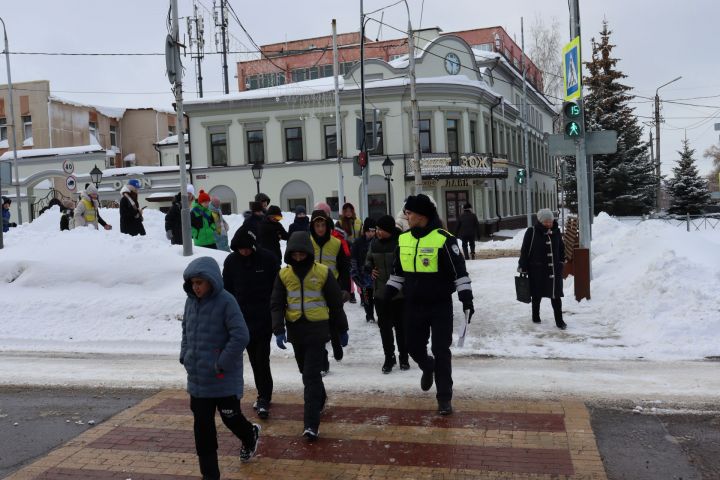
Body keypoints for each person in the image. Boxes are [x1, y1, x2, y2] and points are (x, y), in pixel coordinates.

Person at [385, 194, 474, 416]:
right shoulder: (403, 239)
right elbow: (397, 274)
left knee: (441, 350)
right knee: (413, 347)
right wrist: (385, 296)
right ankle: (427, 366)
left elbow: (459, 272)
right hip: (413, 305)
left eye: (409, 212)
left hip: (439, 305)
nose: (406, 216)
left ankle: (444, 398)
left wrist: (467, 299)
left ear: (421, 215)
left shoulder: (444, 239)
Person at [180, 256, 260, 479]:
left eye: (200, 282)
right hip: (198, 381)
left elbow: (241, 335)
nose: (196, 287)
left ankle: (249, 435)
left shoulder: (226, 301)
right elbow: (186, 330)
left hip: (222, 378)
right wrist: (184, 354)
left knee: (231, 418)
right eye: (193, 283)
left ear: (211, 281)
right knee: (203, 430)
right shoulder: (190, 302)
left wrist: (220, 363)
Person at [270, 231, 349, 441]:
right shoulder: (284, 274)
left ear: (308, 252)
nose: (298, 257)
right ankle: (320, 397)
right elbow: (277, 304)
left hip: (317, 329)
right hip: (296, 330)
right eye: (294, 254)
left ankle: (311, 424)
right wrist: (278, 329)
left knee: (310, 376)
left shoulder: (323, 272)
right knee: (305, 371)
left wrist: (342, 329)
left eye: (301, 253)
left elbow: (335, 303)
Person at [223, 228, 280, 420]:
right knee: (254, 360)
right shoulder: (231, 262)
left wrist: (276, 314)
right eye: (240, 249)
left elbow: (277, 287)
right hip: (242, 320)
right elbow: (227, 290)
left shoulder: (267, 259)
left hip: (264, 318)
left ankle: (264, 397)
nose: (244, 252)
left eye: (247, 248)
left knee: (262, 358)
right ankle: (262, 393)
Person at [310, 209, 351, 376]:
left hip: (332, 287)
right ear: (312, 227)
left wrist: (345, 289)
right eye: (317, 225)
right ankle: (323, 362)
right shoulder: (307, 242)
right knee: (319, 326)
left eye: (323, 225)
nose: (320, 228)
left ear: (327, 226)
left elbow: (344, 268)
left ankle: (337, 341)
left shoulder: (336, 243)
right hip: (313, 289)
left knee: (333, 320)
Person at [366, 215, 409, 373]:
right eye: (376, 229)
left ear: (389, 230)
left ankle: (404, 357)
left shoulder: (401, 242)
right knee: (384, 328)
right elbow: (368, 260)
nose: (378, 232)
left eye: (381, 229)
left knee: (400, 327)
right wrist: (370, 269)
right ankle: (389, 357)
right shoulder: (374, 244)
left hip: (399, 294)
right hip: (380, 293)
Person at [518, 208, 567, 330]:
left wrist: (561, 261)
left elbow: (561, 248)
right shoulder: (532, 231)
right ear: (540, 221)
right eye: (545, 221)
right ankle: (536, 316)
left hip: (554, 271)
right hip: (537, 270)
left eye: (550, 221)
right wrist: (523, 266)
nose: (548, 223)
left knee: (555, 296)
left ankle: (559, 321)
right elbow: (524, 250)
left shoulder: (556, 232)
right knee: (536, 295)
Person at [351, 217, 376, 322]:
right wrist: (355, 274)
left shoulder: (377, 242)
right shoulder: (358, 242)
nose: (371, 233)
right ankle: (369, 316)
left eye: (373, 231)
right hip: (363, 277)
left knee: (377, 298)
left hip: (375, 276)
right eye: (369, 231)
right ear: (365, 230)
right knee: (366, 298)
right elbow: (353, 259)